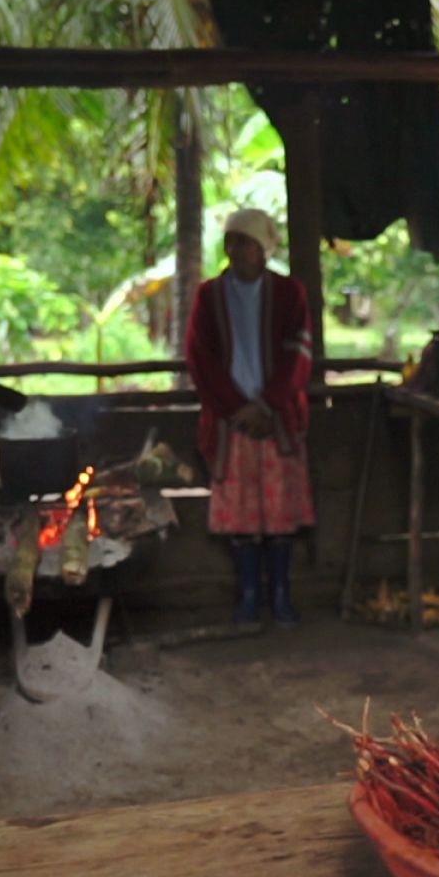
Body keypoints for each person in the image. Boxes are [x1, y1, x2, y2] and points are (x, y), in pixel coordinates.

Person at [184, 207, 316, 625]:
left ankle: (280, 596)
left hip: (275, 419)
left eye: (244, 242)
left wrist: (267, 405)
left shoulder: (289, 293)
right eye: (231, 241)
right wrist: (237, 408)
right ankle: (247, 597)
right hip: (232, 423)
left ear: (263, 249)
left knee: (279, 517)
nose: (235, 250)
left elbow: (299, 353)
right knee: (242, 518)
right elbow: (199, 358)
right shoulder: (209, 296)